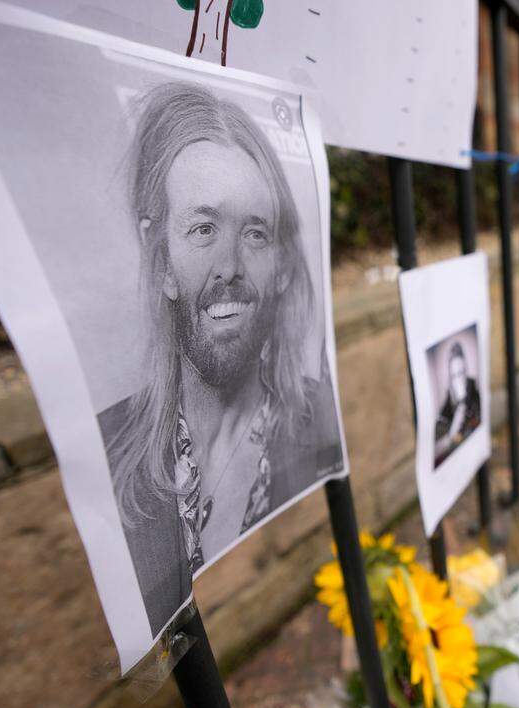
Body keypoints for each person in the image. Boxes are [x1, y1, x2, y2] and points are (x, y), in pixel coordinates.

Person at [99, 82, 344, 635]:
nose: (229, 266)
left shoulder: (318, 420)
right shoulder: (105, 452)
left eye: (255, 232)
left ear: (282, 265)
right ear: (159, 257)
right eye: (203, 228)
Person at [434, 341, 481, 467]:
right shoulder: (450, 399)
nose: (458, 381)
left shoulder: (473, 391)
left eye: (461, 373)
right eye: (454, 376)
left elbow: (478, 420)